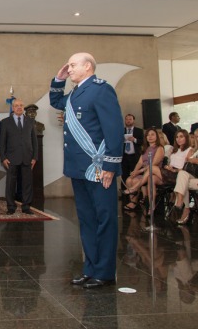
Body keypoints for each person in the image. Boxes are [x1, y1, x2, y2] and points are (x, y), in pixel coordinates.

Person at [49, 52, 123, 289]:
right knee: (87, 220)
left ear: (87, 66)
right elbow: (56, 102)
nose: (68, 69)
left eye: (72, 65)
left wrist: (110, 166)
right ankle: (90, 269)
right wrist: (58, 80)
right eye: (68, 65)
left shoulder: (101, 90)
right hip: (79, 169)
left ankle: (105, 272)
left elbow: (114, 130)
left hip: (98, 168)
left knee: (105, 219)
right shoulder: (77, 92)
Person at [0, 99, 38, 214]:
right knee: (11, 184)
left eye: (21, 105)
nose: (19, 107)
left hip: (27, 157)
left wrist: (35, 157)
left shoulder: (30, 122)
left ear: (23, 107)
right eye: (16, 106)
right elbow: (2, 142)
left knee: (27, 184)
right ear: (12, 107)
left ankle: (26, 207)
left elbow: (34, 141)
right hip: (11, 158)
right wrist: (3, 157)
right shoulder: (5, 122)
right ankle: (11, 207)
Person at [122, 128, 165, 212]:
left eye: (152, 134)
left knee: (136, 181)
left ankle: (135, 189)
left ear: (157, 136)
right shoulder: (146, 148)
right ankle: (133, 202)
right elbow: (139, 163)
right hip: (144, 172)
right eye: (148, 135)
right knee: (129, 179)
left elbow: (153, 164)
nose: (150, 137)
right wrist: (134, 172)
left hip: (154, 172)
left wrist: (139, 171)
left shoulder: (159, 148)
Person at [121, 114, 143, 192]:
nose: (128, 121)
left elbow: (143, 142)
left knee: (135, 175)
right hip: (124, 157)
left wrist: (135, 140)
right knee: (124, 175)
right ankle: (124, 193)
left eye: (130, 119)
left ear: (133, 120)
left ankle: (136, 192)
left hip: (135, 156)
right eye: (126, 119)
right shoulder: (121, 130)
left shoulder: (139, 131)